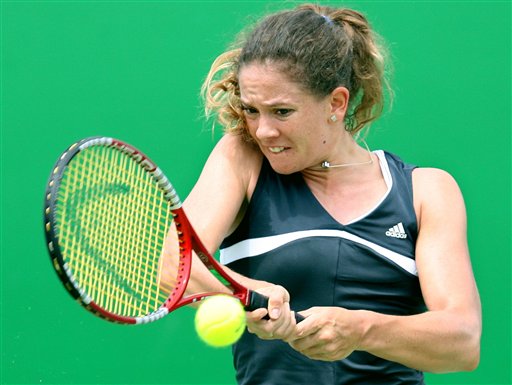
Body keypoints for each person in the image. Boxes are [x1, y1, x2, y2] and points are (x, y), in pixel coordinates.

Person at [173, 3, 482, 384]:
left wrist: (360, 330)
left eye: (281, 112)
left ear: (336, 103)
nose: (262, 130)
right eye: (252, 110)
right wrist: (249, 291)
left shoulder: (427, 191)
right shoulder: (242, 159)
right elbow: (176, 262)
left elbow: (463, 342)